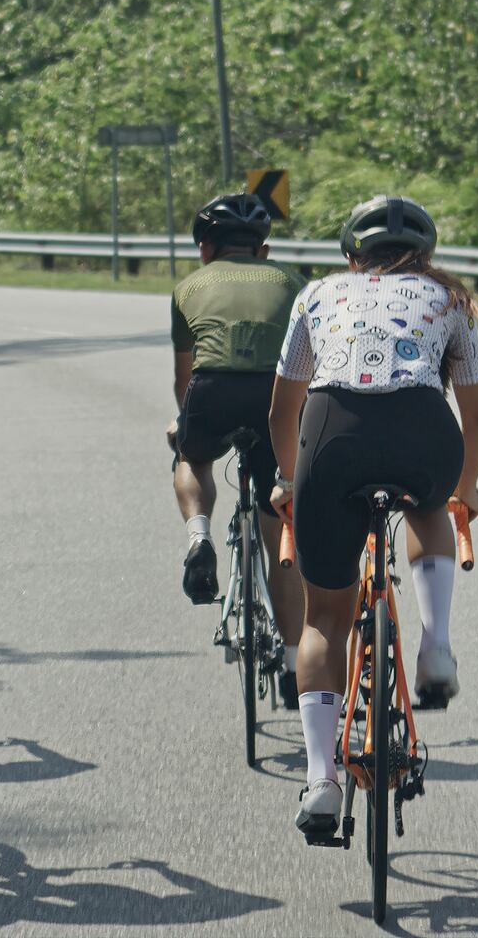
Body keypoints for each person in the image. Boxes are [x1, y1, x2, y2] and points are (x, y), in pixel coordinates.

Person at [269, 196, 478, 841]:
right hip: (423, 432)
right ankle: (437, 645)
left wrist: (291, 480)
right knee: (430, 504)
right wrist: (465, 487)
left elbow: (284, 407)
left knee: (324, 619)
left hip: (332, 436)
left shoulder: (318, 294)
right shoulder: (449, 299)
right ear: (427, 258)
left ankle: (320, 780)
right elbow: (476, 418)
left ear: (349, 258)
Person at [167, 193, 306, 690]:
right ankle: (293, 667)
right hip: (277, 397)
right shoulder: (293, 284)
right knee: (282, 537)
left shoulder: (188, 287)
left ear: (206, 250)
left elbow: (185, 380)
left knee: (194, 457)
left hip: (214, 390)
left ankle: (199, 535)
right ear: (263, 251)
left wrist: (183, 425)